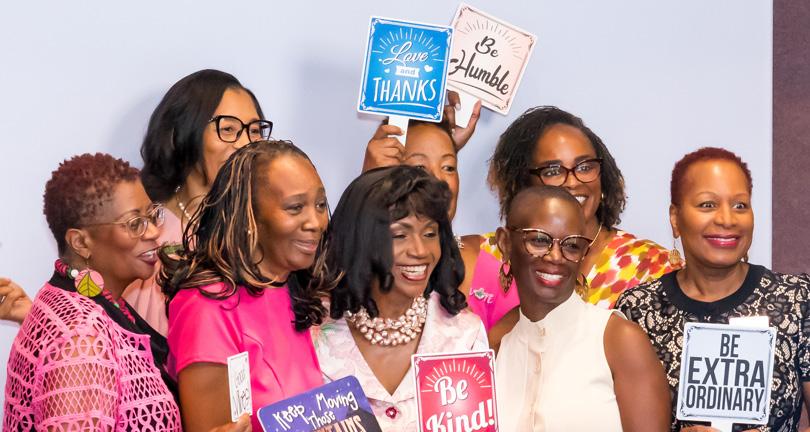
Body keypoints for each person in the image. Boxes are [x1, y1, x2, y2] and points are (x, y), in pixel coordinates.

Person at [0, 69, 271, 333]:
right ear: (183, 134)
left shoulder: (266, 227)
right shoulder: (145, 235)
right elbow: (98, 315)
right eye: (228, 129)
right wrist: (38, 317)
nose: (246, 144)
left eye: (255, 130)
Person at [615, 147, 810, 431]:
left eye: (740, 205)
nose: (727, 219)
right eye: (708, 205)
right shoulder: (637, 310)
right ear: (675, 218)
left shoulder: (797, 299)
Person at [3, 154, 183, 430]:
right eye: (135, 223)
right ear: (81, 242)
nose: (153, 233)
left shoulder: (69, 297)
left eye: (152, 215)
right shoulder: (82, 340)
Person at [162, 140, 329, 432]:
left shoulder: (292, 289)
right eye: (295, 207)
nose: (315, 222)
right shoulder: (207, 307)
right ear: (249, 217)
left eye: (320, 205)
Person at [482, 106, 679, 347]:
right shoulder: (490, 255)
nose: (573, 182)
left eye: (585, 167)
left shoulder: (651, 266)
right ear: (522, 183)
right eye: (553, 171)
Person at [314, 166, 487, 430]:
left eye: (429, 234)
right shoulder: (314, 333)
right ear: (361, 240)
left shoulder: (464, 335)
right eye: (399, 235)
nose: (420, 250)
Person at [495, 185, 671, 431]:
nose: (556, 256)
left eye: (572, 245)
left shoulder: (618, 340)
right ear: (505, 242)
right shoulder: (496, 345)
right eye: (539, 240)